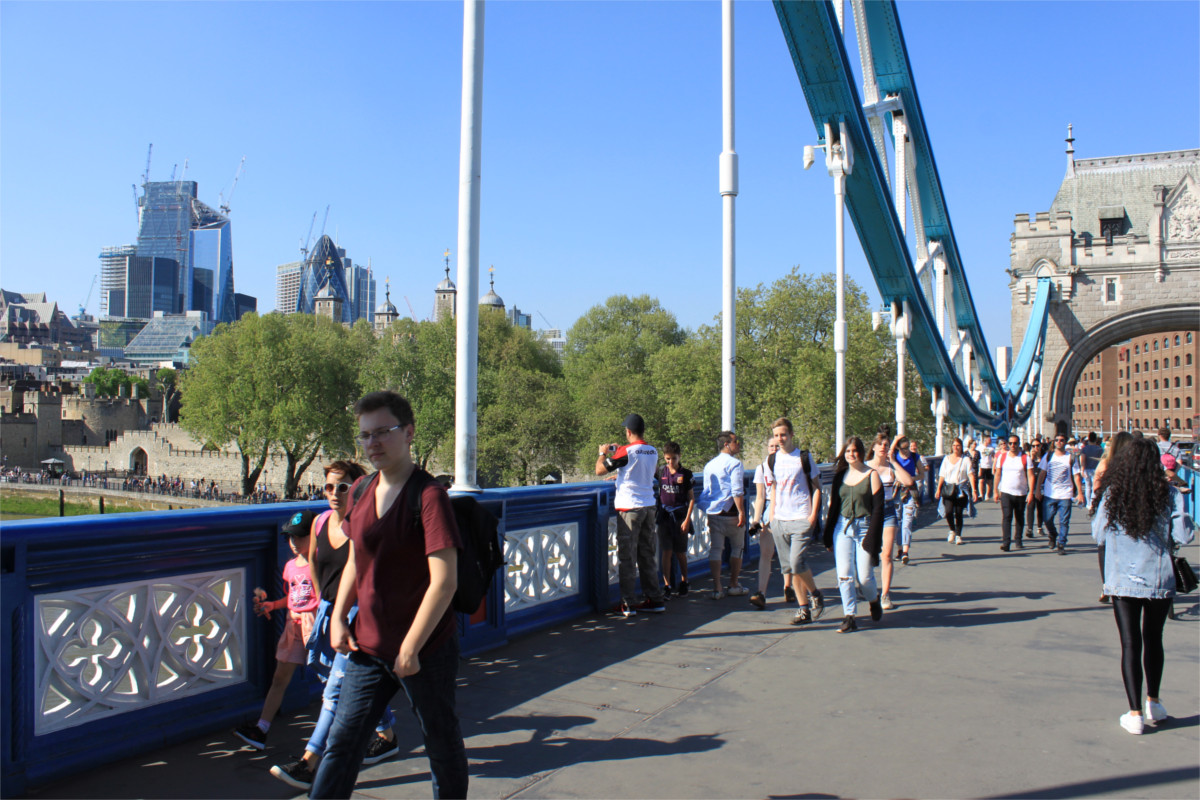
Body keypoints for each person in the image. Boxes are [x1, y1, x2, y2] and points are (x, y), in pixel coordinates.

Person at [309, 391, 467, 799]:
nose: (373, 443)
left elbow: (444, 582)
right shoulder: (361, 489)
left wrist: (411, 648)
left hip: (425, 648)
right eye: (365, 435)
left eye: (383, 432)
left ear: (408, 433)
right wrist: (339, 616)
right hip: (368, 645)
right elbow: (356, 560)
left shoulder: (428, 496)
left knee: (441, 743)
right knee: (342, 743)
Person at [269, 460, 401, 790]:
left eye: (343, 486)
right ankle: (387, 736)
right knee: (338, 681)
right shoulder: (319, 523)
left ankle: (309, 762)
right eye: (329, 486)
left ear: (358, 487)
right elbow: (314, 563)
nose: (334, 493)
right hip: (329, 612)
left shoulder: (367, 524)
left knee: (334, 691)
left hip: (360, 616)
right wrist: (322, 605)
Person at [1091, 438, 1194, 735]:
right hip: (1158, 576)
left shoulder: (1113, 492)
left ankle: (1134, 713)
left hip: (1122, 577)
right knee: (1154, 639)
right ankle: (1154, 702)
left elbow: (1098, 534)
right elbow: (1184, 536)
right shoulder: (1169, 493)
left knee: (1129, 643)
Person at [234, 510, 321, 750]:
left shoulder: (320, 562)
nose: (294, 542)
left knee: (331, 678)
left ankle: (357, 727)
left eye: (300, 537)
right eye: (291, 537)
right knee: (280, 677)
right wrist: (273, 605)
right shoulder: (291, 566)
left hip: (315, 624)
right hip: (293, 626)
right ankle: (261, 728)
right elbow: (293, 597)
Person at [596, 413, 665, 616]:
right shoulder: (652, 451)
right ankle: (655, 599)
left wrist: (602, 453)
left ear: (628, 432)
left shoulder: (626, 451)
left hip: (629, 508)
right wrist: (621, 475)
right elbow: (647, 472)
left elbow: (599, 470)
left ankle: (628, 603)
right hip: (649, 506)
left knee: (627, 557)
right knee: (647, 554)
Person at [762, 418, 825, 623]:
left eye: (783, 435)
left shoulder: (803, 457)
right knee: (790, 567)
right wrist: (772, 517)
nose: (780, 439)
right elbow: (773, 487)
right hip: (780, 519)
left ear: (791, 435)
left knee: (797, 563)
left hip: (801, 517)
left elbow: (817, 487)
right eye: (776, 435)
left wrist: (812, 516)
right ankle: (804, 609)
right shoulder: (772, 460)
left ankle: (815, 594)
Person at [822, 436, 884, 633]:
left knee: (864, 578)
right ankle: (849, 616)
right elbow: (833, 508)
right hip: (843, 528)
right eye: (848, 451)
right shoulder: (840, 476)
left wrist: (873, 538)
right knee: (844, 575)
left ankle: (873, 600)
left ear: (861, 452)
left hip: (865, 528)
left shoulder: (871, 475)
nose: (851, 454)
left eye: (855, 451)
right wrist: (827, 535)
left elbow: (878, 510)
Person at [867, 433, 916, 609]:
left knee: (886, 554)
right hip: (869, 513)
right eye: (880, 444)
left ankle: (885, 595)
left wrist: (894, 461)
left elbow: (908, 481)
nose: (883, 447)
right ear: (873, 447)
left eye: (886, 445)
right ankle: (867, 586)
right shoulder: (866, 467)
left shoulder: (890, 467)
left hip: (888, 511)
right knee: (867, 554)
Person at [698, 430, 748, 600]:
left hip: (714, 512)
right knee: (737, 548)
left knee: (716, 549)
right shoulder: (735, 464)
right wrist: (741, 512)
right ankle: (733, 584)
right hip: (731, 512)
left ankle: (717, 587)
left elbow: (706, 491)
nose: (738, 444)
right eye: (736, 441)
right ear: (727, 444)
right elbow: (737, 490)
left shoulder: (709, 465)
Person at [1092, 431, 1135, 604]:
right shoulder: (1136, 465)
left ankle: (1107, 584)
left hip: (1110, 508)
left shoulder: (1106, 463)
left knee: (1104, 545)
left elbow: (1097, 484)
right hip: (1133, 511)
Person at [656, 441, 695, 597]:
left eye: (673, 458)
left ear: (679, 457)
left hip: (680, 517)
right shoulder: (661, 471)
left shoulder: (686, 474)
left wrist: (687, 520)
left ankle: (684, 581)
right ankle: (667, 585)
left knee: (680, 552)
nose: (670, 462)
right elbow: (642, 474)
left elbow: (691, 498)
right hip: (664, 517)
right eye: (667, 459)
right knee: (666, 551)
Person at [1035, 433, 1085, 555]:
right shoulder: (1049, 456)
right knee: (1047, 519)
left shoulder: (1070, 457)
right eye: (1056, 440)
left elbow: (1076, 476)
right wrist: (1037, 489)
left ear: (1065, 442)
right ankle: (1053, 534)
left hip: (1065, 494)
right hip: (1050, 493)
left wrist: (1080, 493)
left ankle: (1061, 543)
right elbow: (1042, 473)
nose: (1059, 442)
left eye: (1062, 440)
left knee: (1064, 521)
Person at [748, 439, 778, 609]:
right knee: (766, 553)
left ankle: (788, 586)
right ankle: (761, 593)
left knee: (789, 554)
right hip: (768, 509)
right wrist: (756, 519)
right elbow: (760, 496)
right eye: (771, 446)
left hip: (787, 509)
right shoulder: (762, 468)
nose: (774, 448)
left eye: (777, 446)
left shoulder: (790, 465)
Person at [992, 434, 1035, 551]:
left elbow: (1031, 476)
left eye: (1015, 443)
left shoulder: (1025, 458)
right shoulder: (1002, 457)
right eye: (1010, 443)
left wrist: (1031, 492)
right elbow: (997, 474)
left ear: (1018, 444)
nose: (1012, 445)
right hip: (1006, 491)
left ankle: (1018, 540)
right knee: (1007, 516)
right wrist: (995, 491)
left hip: (1021, 492)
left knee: (1019, 516)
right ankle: (1006, 542)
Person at [891, 436, 924, 563]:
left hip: (910, 490)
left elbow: (922, 474)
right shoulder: (894, 456)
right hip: (897, 491)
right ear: (898, 448)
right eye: (903, 448)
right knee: (898, 521)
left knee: (907, 521)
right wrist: (895, 440)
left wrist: (912, 479)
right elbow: (889, 453)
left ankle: (905, 551)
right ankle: (900, 549)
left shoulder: (915, 457)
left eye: (908, 447)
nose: (906, 451)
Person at [935, 438, 974, 545]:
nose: (956, 448)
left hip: (961, 489)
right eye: (954, 445)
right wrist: (938, 489)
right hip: (948, 489)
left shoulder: (966, 459)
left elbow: (970, 474)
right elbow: (942, 475)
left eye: (958, 445)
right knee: (948, 511)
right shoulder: (946, 459)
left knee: (958, 512)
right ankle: (952, 530)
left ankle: (958, 535)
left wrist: (974, 490)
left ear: (961, 447)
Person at [1024, 439, 1047, 538]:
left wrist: (1038, 457)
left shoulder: (1044, 458)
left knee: (1040, 508)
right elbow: (1027, 472)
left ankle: (1040, 527)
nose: (1035, 448)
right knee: (1030, 507)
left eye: (1037, 445)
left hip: (1041, 487)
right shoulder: (1029, 459)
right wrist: (1032, 458)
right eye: (1033, 446)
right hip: (1031, 487)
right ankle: (1029, 528)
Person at [1079, 432, 1104, 508]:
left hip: (1087, 469)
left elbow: (1083, 460)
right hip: (1096, 469)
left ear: (1089, 439)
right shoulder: (1100, 449)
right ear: (1096, 439)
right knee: (1095, 487)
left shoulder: (1084, 449)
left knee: (1087, 487)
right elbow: (1101, 460)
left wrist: (1082, 469)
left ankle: (1088, 503)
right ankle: (1093, 503)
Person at [978, 437, 996, 502]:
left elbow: (993, 456)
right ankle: (981, 494)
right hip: (982, 466)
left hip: (989, 466)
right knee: (981, 480)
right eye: (989, 440)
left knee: (989, 481)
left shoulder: (991, 448)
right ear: (985, 440)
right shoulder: (979, 447)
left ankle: (987, 495)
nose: (990, 441)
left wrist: (994, 464)